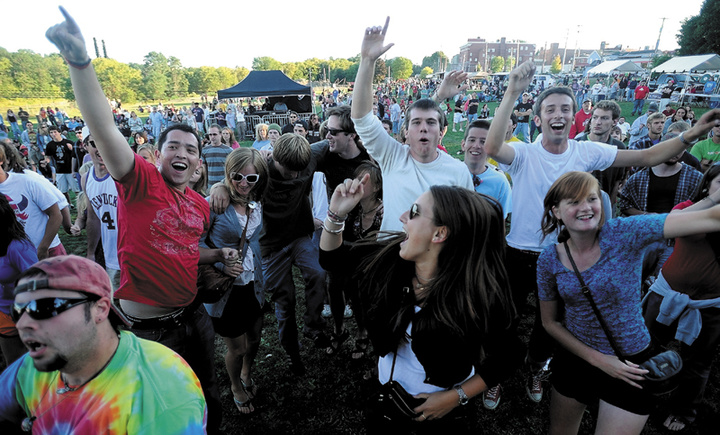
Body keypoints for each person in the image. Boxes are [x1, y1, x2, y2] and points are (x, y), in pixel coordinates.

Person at [46, 8, 239, 432]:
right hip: (149, 331)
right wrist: (81, 62)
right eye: (173, 146)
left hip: (194, 317)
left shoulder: (201, 206)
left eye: (191, 148)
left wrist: (218, 254)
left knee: (207, 396)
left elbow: (185, 251)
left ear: (198, 161)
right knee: (155, 412)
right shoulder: (139, 181)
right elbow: (102, 124)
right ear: (158, 151)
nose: (183, 154)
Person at [484, 59, 720, 406]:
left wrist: (689, 135)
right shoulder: (523, 153)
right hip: (519, 252)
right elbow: (492, 148)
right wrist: (511, 93)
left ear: (576, 115)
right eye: (550, 109)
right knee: (505, 321)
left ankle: (536, 367)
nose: (558, 114)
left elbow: (649, 154)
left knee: (550, 326)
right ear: (538, 119)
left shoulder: (586, 151)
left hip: (567, 256)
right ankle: (498, 376)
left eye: (566, 108)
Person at [319, 178, 524, 433]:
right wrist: (336, 214)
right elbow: (332, 259)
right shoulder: (392, 260)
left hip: (442, 418)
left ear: (439, 233)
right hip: (386, 400)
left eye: (415, 212)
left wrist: (456, 397)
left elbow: (509, 356)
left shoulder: (477, 295)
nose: (403, 216)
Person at [537, 170, 720, 435]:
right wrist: (599, 360)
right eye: (574, 202)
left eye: (592, 199)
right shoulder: (549, 260)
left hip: (632, 364)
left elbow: (707, 218)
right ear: (556, 211)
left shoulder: (625, 232)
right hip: (576, 359)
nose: (586, 208)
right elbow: (549, 322)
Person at [0, 255, 207, 434]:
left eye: (44, 307)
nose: (23, 324)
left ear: (100, 309)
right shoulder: (32, 366)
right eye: (18, 311)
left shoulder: (160, 397)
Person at [350, 18, 473, 233]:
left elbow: (467, 223)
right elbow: (361, 117)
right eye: (416, 123)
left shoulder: (458, 171)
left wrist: (439, 98)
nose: (423, 128)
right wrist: (367, 61)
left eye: (431, 123)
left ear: (441, 131)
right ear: (405, 131)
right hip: (392, 256)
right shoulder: (392, 156)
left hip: (436, 259)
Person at [643, 164, 720, 432]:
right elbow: (670, 225)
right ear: (707, 184)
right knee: (644, 343)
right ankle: (634, 388)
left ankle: (683, 410)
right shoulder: (689, 206)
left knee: (698, 362)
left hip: (709, 306)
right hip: (666, 294)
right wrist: (713, 201)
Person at [202, 148, 268, 415]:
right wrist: (220, 261)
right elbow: (194, 243)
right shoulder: (216, 204)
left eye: (251, 178)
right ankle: (235, 386)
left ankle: (246, 373)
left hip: (254, 283)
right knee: (237, 347)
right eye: (237, 176)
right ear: (228, 174)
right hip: (226, 289)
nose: (243, 183)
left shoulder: (256, 198)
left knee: (254, 340)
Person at [0, 195, 39, 366]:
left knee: (34, 365)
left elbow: (38, 281)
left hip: (24, 314)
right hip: (2, 315)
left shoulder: (18, 248)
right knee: (13, 366)